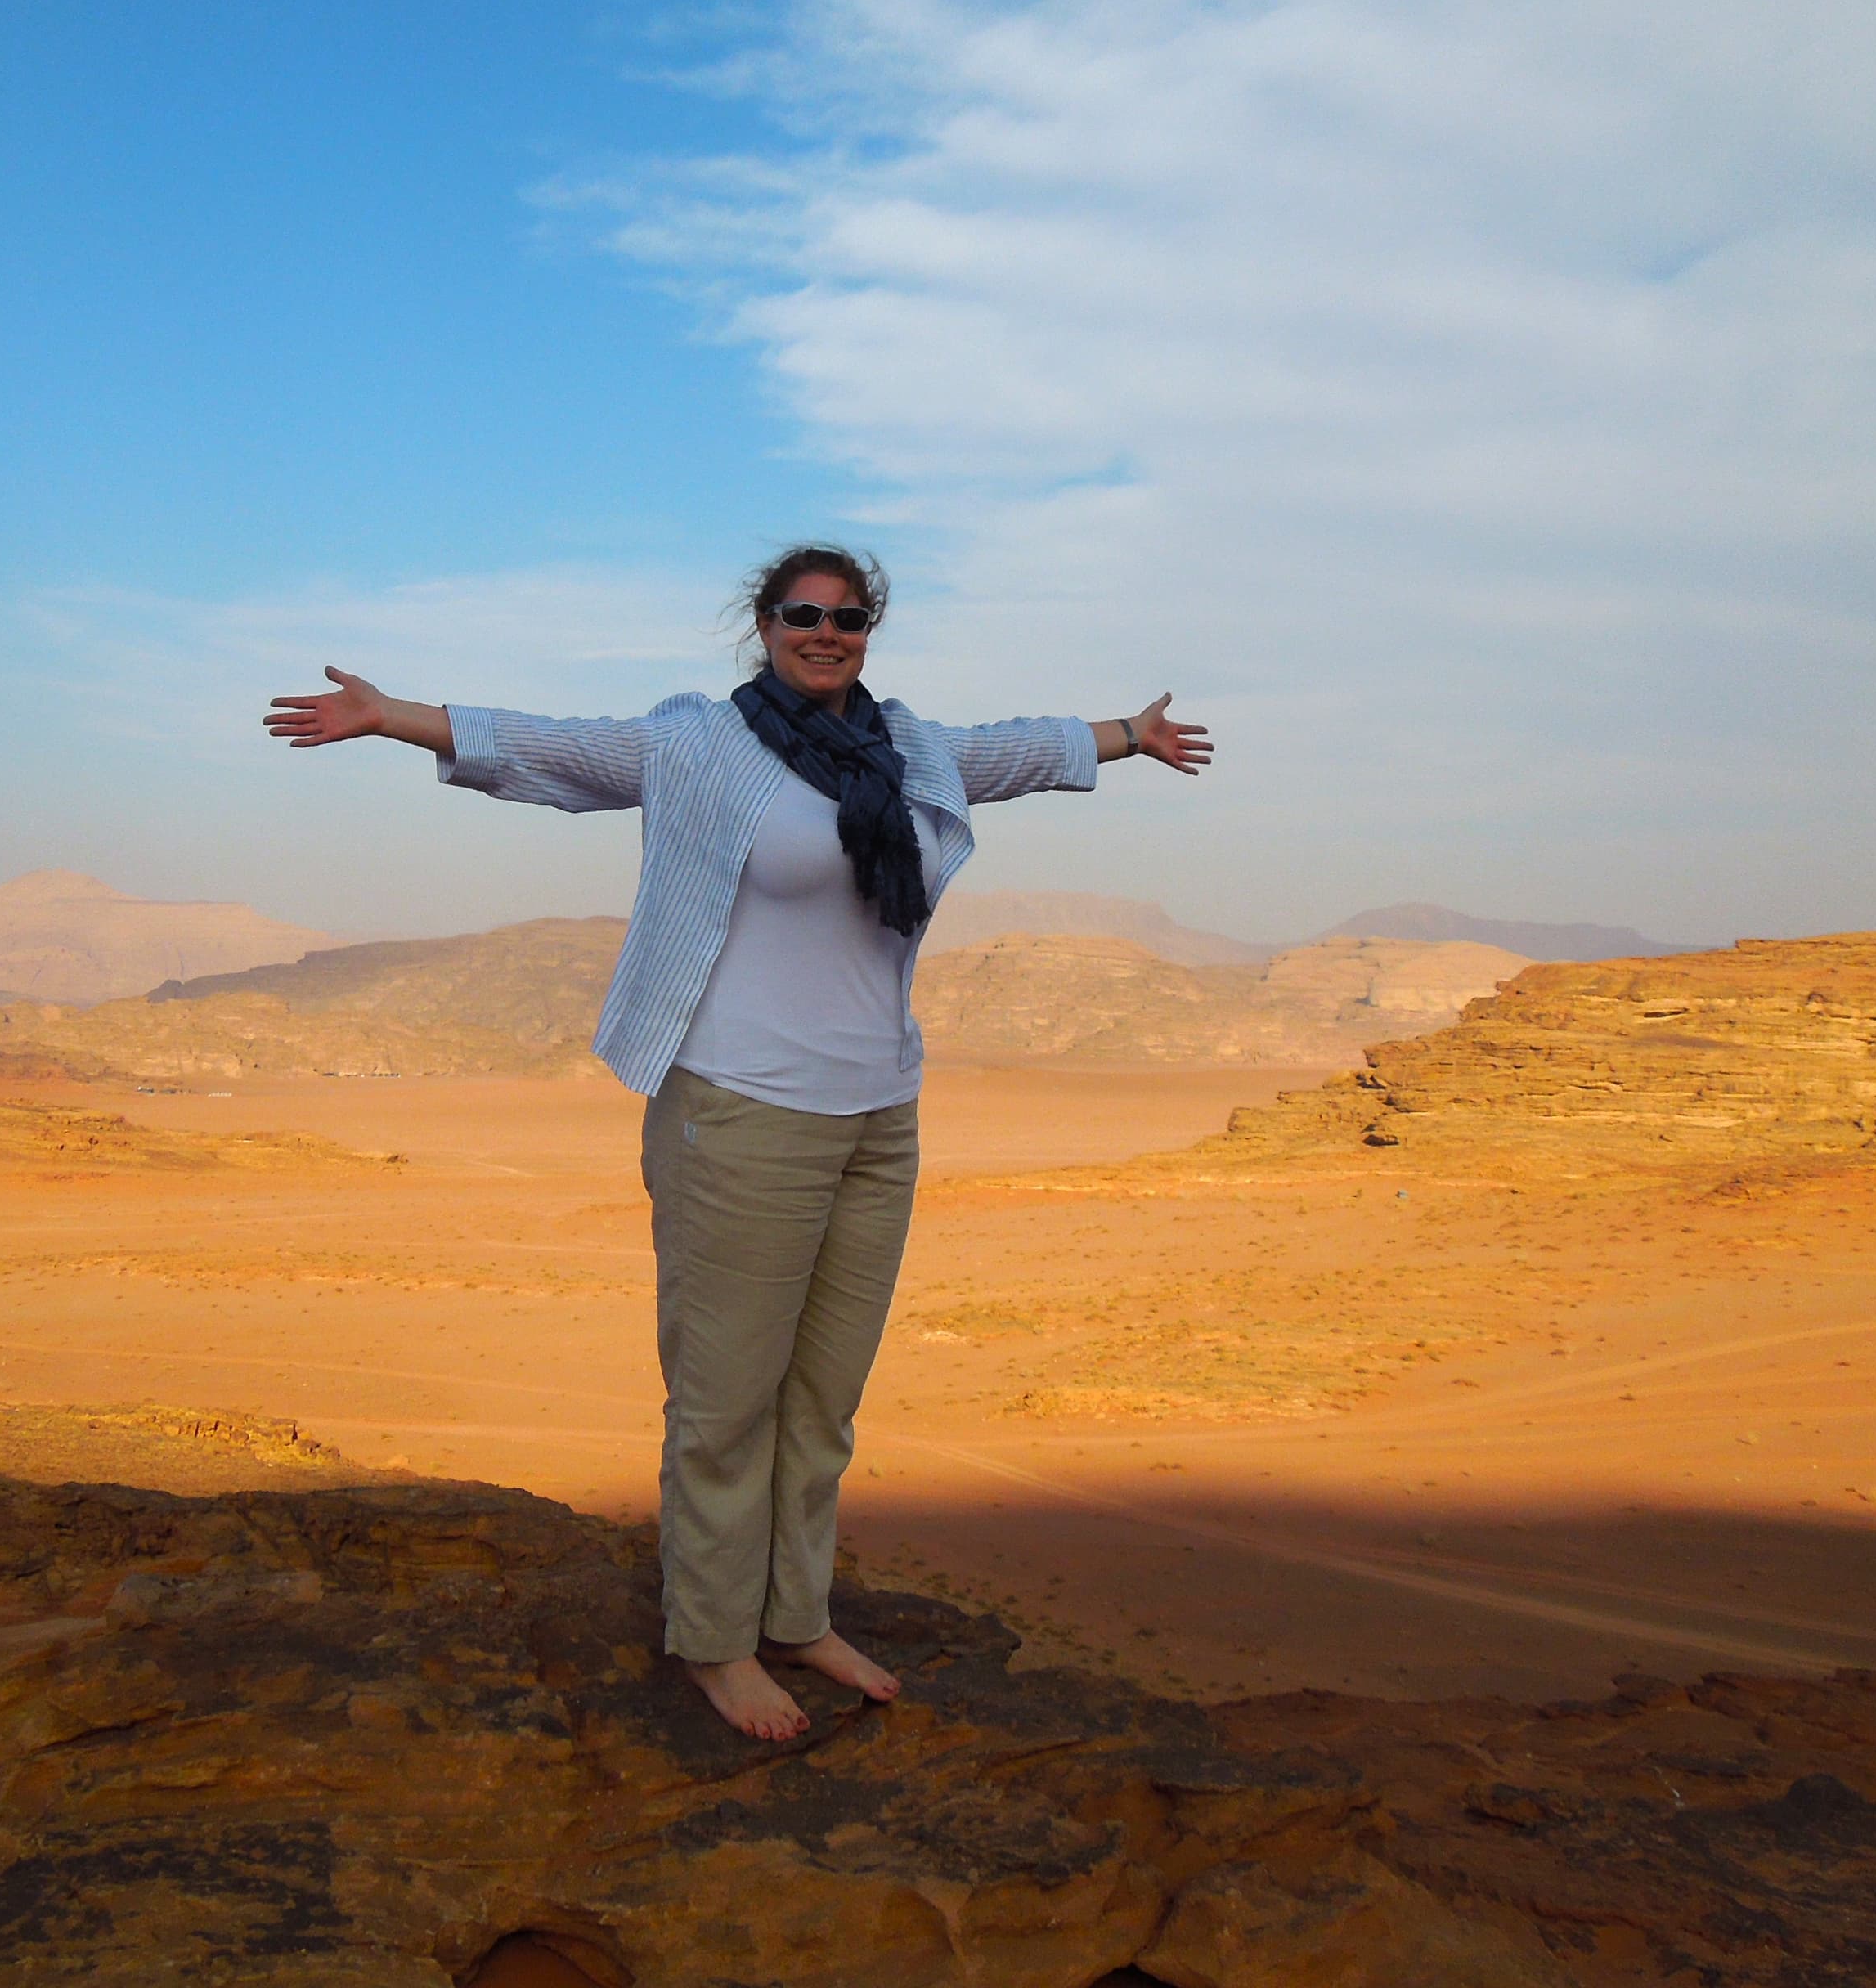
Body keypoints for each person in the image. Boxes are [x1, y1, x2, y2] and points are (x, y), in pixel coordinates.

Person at [263, 545, 1212, 1739]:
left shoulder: (909, 748)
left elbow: (1016, 750)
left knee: (823, 1402)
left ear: (869, 632)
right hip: (742, 1110)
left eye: (848, 618)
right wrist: (392, 715)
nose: (826, 633)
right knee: (726, 1404)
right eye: (803, 614)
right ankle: (715, 1641)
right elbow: (555, 745)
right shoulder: (699, 743)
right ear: (762, 625)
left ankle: (797, 1615)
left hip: (879, 1113)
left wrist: (1128, 734)